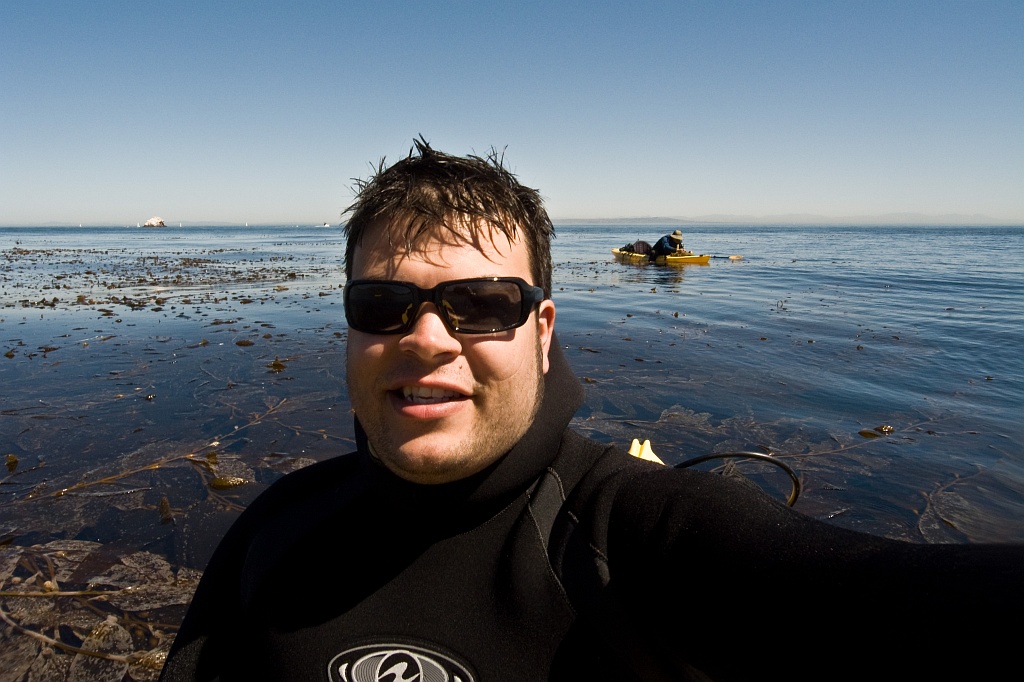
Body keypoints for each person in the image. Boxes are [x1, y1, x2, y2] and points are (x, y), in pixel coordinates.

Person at [160, 140, 1023, 682]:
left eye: (483, 302)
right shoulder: (273, 533)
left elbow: (879, 606)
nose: (424, 338)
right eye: (382, 303)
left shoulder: (640, 530)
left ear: (542, 333)